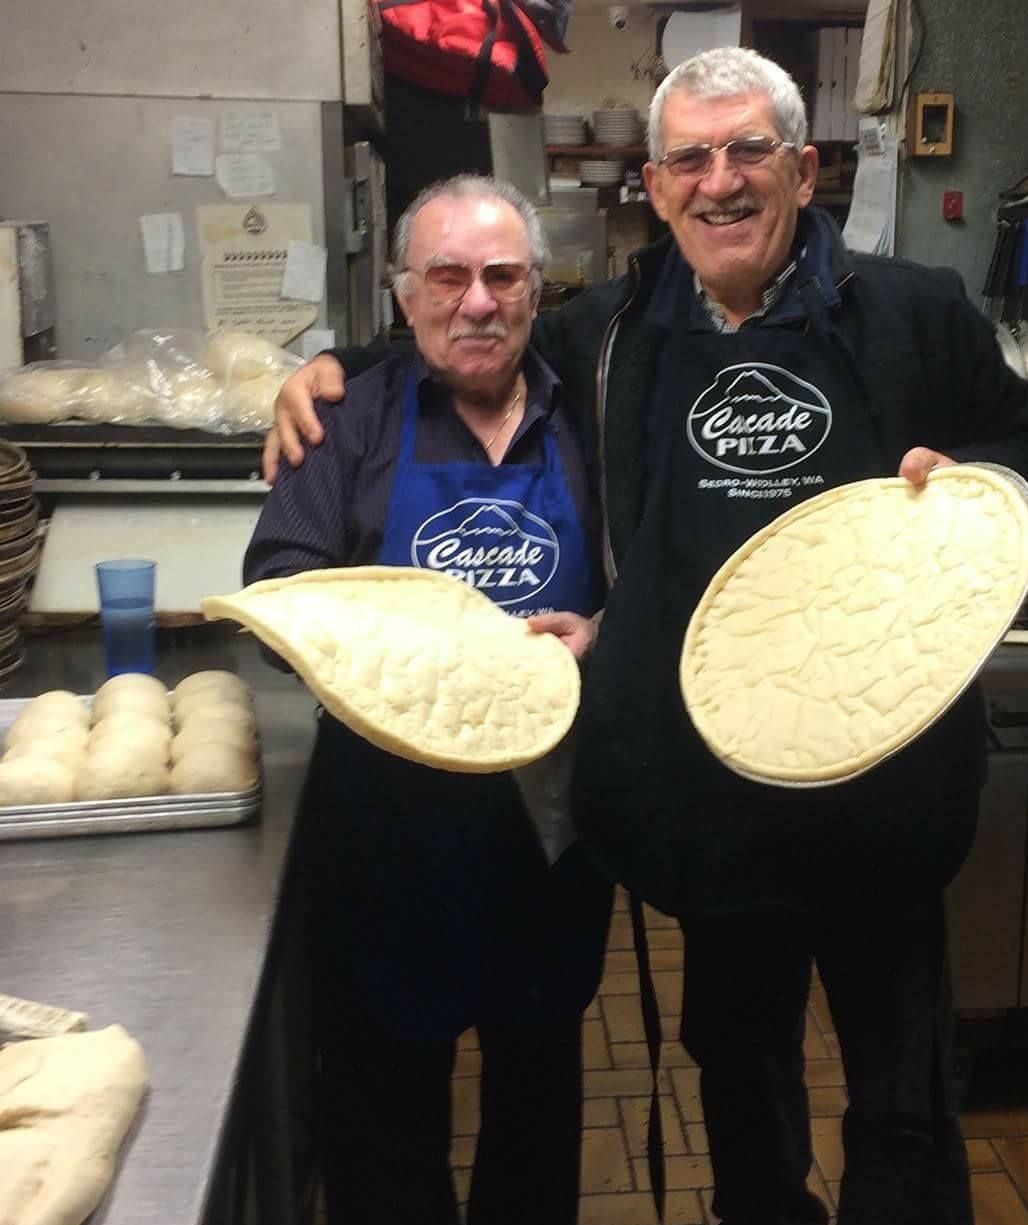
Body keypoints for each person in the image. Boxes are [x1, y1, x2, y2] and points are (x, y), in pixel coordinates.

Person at [263, 49, 1028, 1225]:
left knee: (902, 1099)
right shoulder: (614, 328)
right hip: (716, 796)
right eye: (690, 157)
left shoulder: (915, 313)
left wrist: (980, 478)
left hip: (885, 782)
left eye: (747, 151)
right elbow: (471, 328)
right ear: (655, 180)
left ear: (804, 167)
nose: (719, 181)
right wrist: (334, 369)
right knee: (743, 1084)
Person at [244, 175, 611, 1225]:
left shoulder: (591, 413)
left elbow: (648, 582)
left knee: (537, 1098)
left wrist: (605, 637)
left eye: (502, 276)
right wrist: (418, 651)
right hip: (387, 837)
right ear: (405, 297)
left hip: (547, 829)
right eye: (447, 276)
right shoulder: (347, 417)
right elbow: (281, 582)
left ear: (540, 292)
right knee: (384, 1110)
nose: (477, 302)